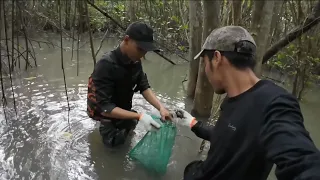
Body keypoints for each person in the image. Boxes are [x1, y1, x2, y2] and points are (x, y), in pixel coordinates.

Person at [174, 26, 320, 180]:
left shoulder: (275, 103)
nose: (205, 71)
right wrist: (193, 123)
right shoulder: (232, 98)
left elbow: (304, 163)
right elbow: (229, 135)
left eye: (204, 63)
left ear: (216, 58)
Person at [87, 21, 172, 148]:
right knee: (113, 149)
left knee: (130, 129)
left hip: (123, 109)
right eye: (140, 49)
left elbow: (143, 86)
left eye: (145, 51)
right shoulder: (106, 65)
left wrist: (161, 107)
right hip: (106, 114)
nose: (142, 55)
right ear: (126, 40)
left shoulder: (135, 61)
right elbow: (105, 108)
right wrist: (140, 116)